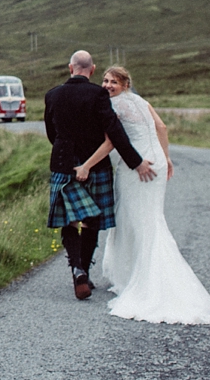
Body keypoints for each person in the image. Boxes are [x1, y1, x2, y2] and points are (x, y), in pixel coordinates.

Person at [74, 66, 210, 325]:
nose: (108, 85)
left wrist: (86, 165)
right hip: (157, 160)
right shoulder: (142, 101)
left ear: (125, 84)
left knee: (136, 220)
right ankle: (139, 273)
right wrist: (166, 157)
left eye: (114, 82)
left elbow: (111, 142)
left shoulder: (114, 106)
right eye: (106, 80)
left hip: (138, 166)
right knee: (151, 218)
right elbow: (161, 127)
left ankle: (143, 280)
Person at [44, 50, 156, 300]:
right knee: (91, 219)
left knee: (69, 221)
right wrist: (136, 162)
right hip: (96, 165)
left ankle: (77, 270)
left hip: (64, 164)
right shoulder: (98, 94)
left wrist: (66, 151)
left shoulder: (52, 95)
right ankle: (84, 269)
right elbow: (114, 131)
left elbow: (52, 133)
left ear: (70, 67)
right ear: (92, 70)